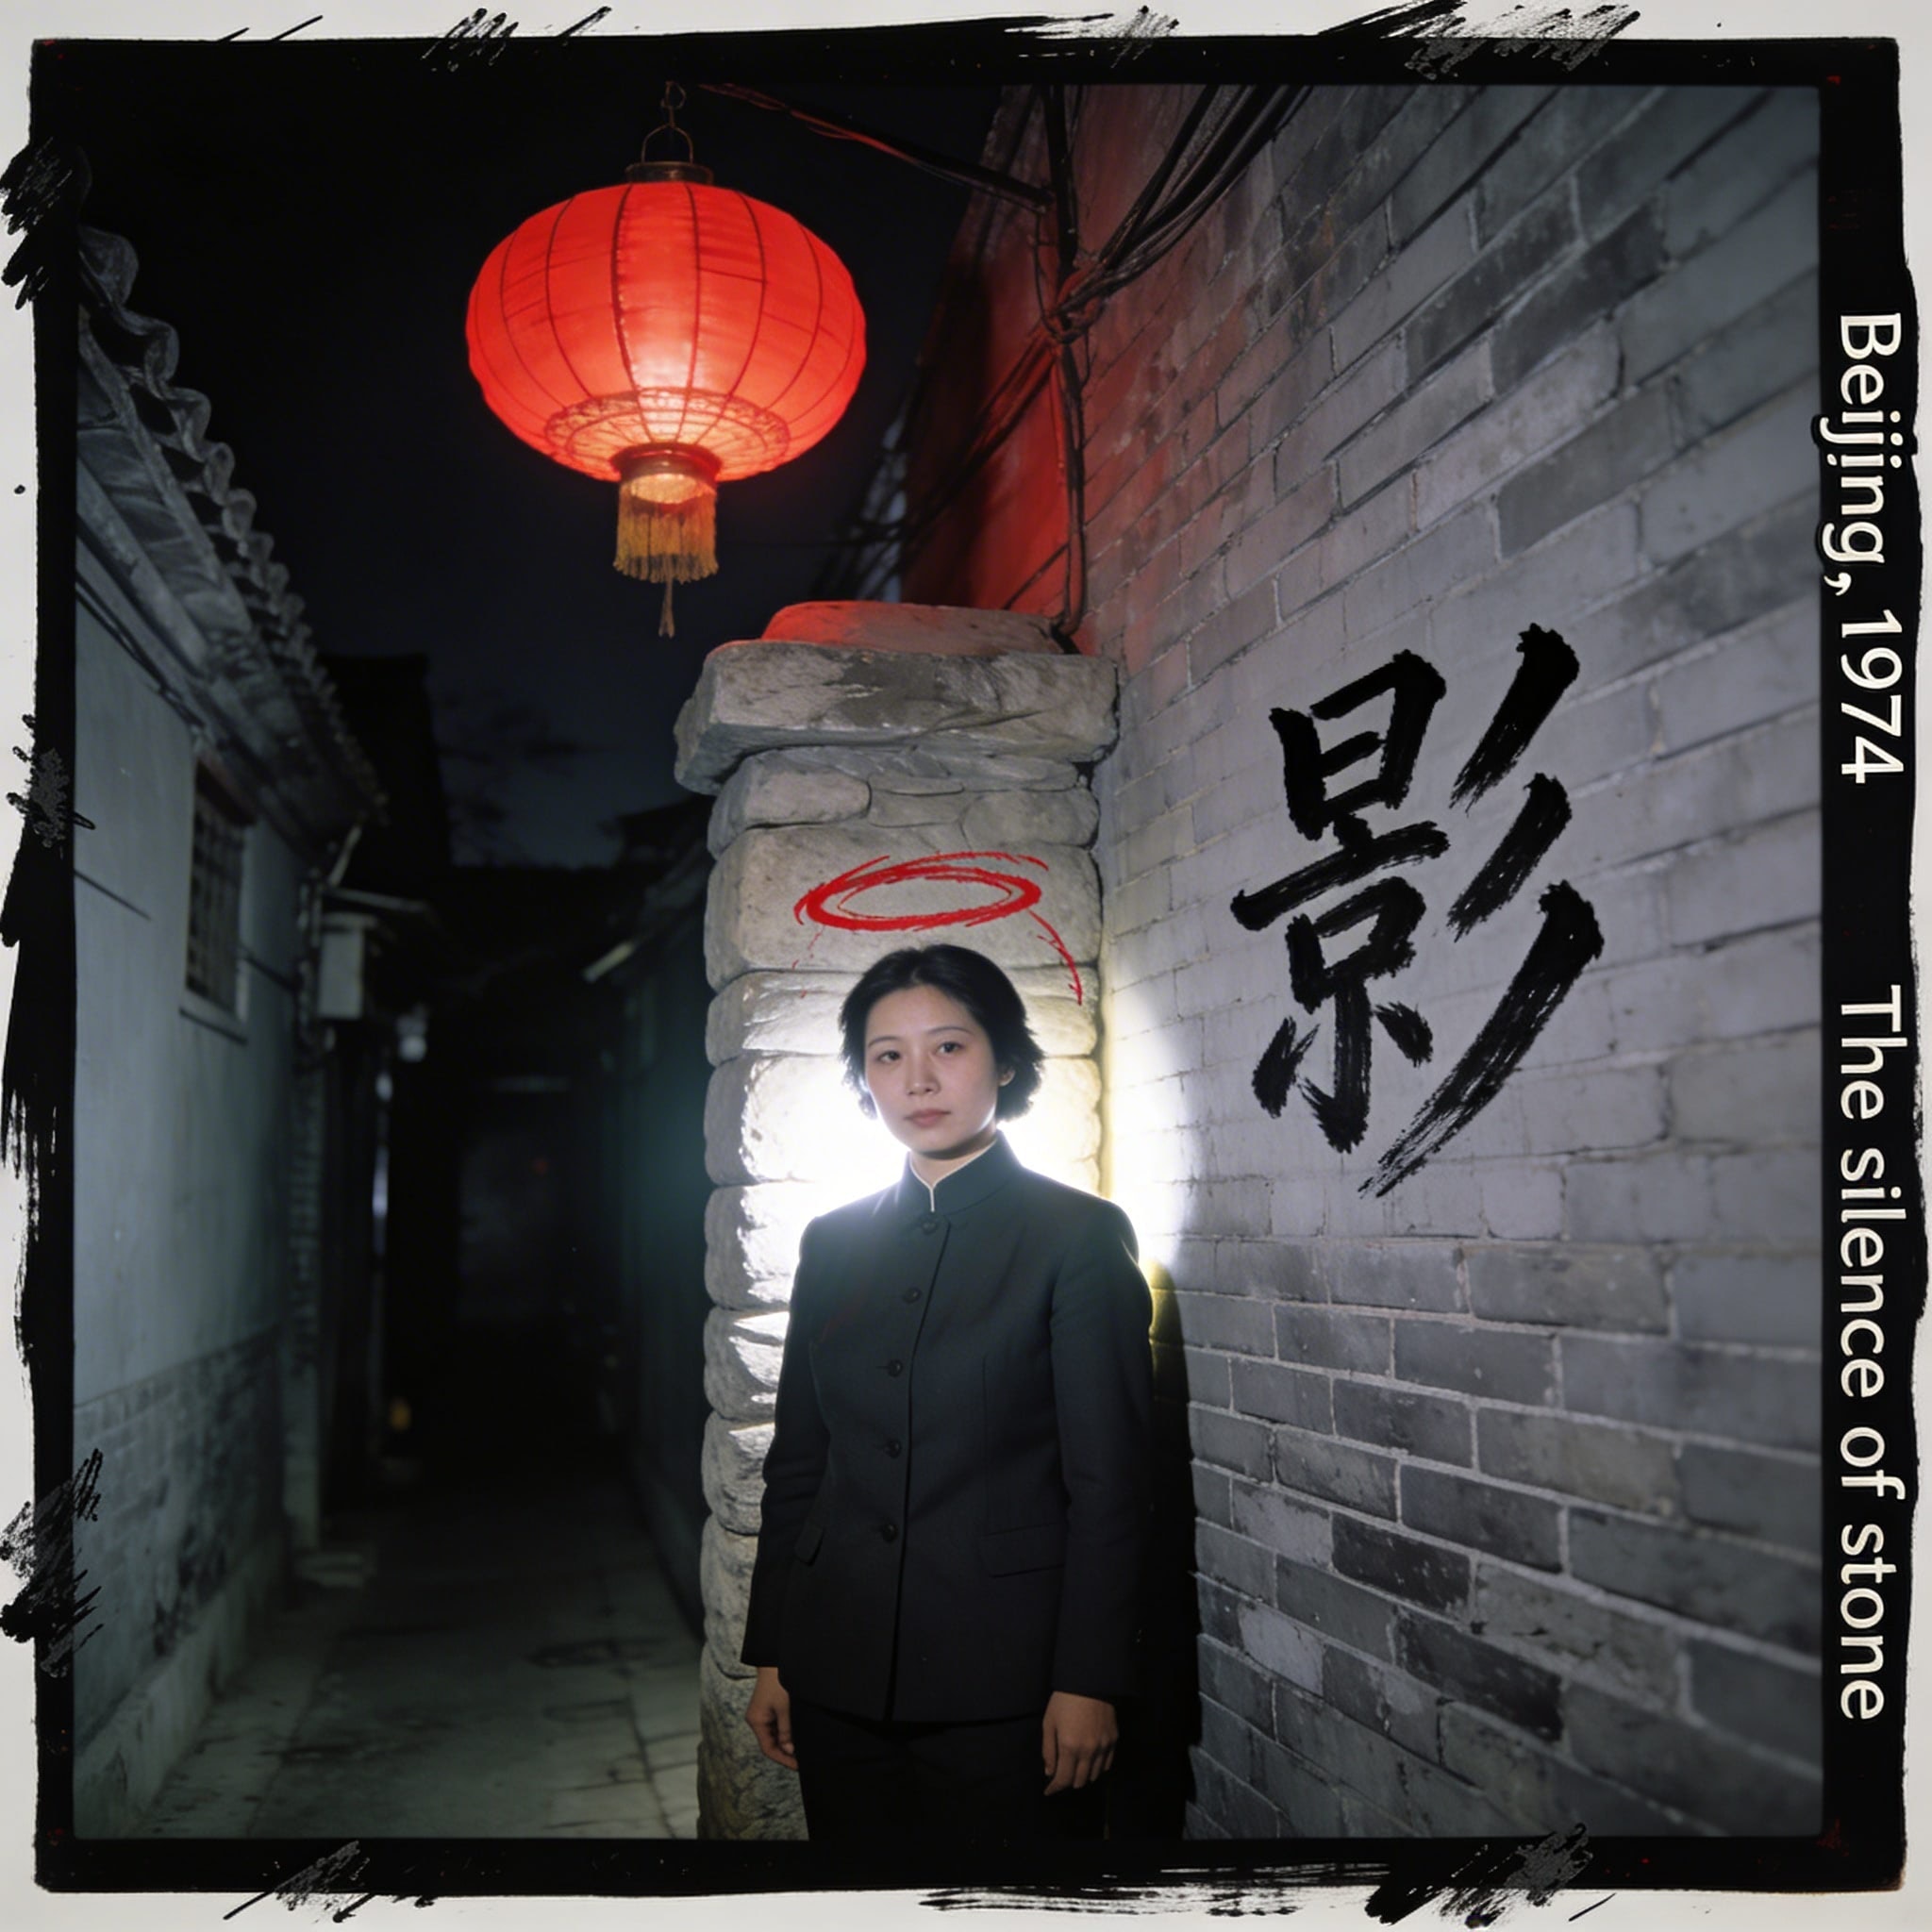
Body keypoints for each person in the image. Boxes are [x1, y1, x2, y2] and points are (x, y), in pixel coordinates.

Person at [740, 942, 1154, 1840]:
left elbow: (1111, 1482)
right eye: (887, 1056)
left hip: (1008, 1681)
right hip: (834, 1670)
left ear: (1005, 1060)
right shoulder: (832, 1241)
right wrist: (773, 1653)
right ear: (866, 1081)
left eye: (949, 1048)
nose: (918, 1079)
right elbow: (800, 1464)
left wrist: (1088, 1680)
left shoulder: (1076, 1236)